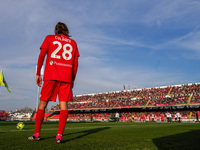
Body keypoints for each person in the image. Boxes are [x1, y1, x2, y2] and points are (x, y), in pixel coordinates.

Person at [28, 22, 80, 144]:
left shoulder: (49, 38)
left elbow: (42, 55)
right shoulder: (73, 43)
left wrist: (38, 73)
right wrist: (72, 79)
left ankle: (36, 134)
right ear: (67, 30)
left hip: (51, 75)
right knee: (64, 107)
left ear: (56, 30)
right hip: (66, 77)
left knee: (42, 104)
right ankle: (59, 136)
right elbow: (76, 63)